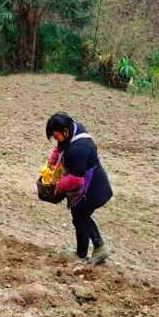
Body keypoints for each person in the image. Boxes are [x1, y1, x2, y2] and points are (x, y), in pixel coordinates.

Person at [45, 112, 113, 265]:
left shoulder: (79, 149)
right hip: (91, 180)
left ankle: (85, 253)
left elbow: (76, 179)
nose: (55, 140)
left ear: (65, 131)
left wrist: (58, 186)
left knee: (80, 217)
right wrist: (53, 159)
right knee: (81, 216)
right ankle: (98, 248)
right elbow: (60, 146)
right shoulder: (74, 128)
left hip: (93, 187)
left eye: (56, 136)